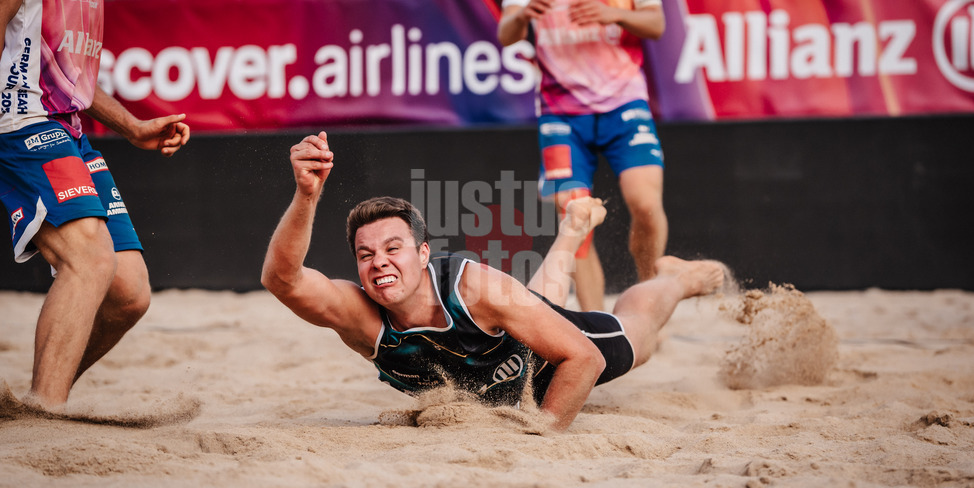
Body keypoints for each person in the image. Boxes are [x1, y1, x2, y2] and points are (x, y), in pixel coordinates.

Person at [261, 133, 725, 431]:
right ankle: (571, 231)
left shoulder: (474, 288)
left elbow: (583, 358)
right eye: (366, 254)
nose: (379, 262)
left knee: (634, 336)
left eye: (393, 248)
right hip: (514, 333)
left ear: (424, 254)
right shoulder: (361, 317)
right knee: (535, 302)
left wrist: (541, 431)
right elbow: (283, 280)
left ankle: (674, 278)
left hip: (550, 364)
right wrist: (306, 195)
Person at [0, 0, 190, 409]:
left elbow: (66, 66)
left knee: (128, 294)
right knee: (90, 261)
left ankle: (41, 400)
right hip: (18, 118)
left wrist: (132, 125)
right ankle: (43, 413)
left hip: (64, 124)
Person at [496, 0, 667, 312]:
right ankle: (595, 324)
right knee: (577, 222)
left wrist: (612, 13)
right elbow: (506, 33)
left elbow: (656, 24)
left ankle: (648, 294)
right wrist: (523, 17)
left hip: (623, 100)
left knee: (645, 205)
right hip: (561, 112)